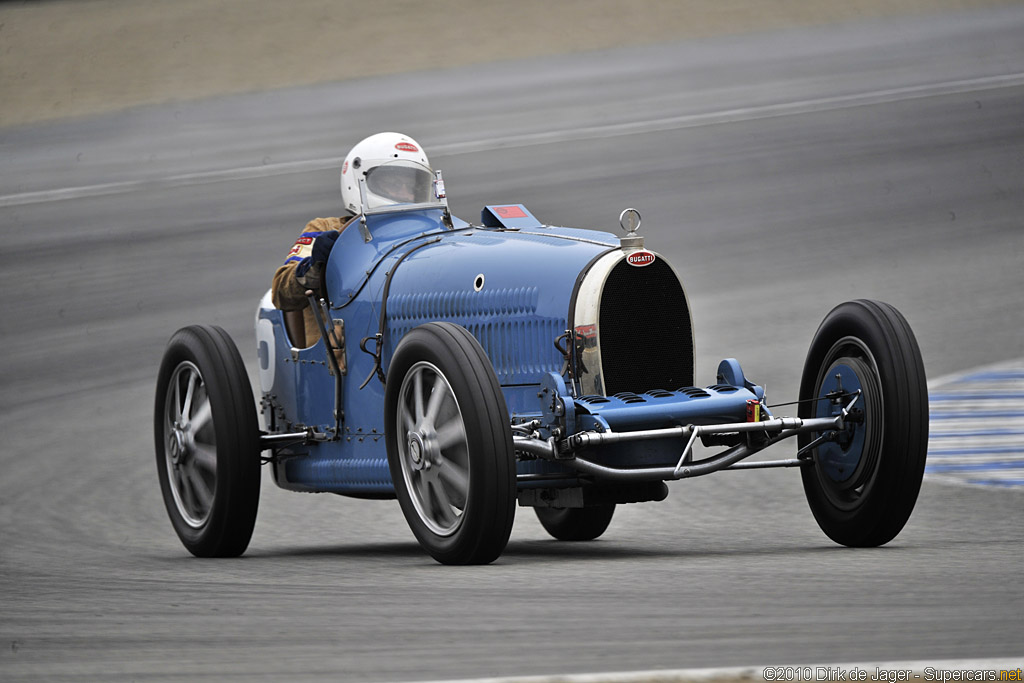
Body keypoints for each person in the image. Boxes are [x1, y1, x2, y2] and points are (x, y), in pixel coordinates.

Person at [272, 132, 433, 347]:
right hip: (342, 355)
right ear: (360, 182)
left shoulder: (430, 233)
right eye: (394, 184)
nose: (405, 194)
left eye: (411, 186)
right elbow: (280, 292)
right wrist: (314, 268)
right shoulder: (326, 229)